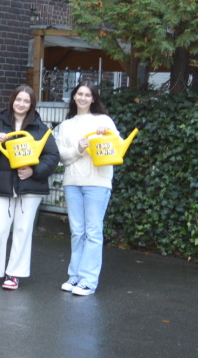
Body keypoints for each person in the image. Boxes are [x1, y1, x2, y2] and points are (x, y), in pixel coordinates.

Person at [0, 84, 59, 290]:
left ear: (31, 104)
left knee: (23, 229)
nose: (21, 104)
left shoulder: (41, 128)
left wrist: (34, 171)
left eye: (26, 101)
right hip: (2, 185)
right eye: (18, 99)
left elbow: (52, 156)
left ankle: (14, 273)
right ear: (12, 100)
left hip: (30, 188)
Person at [54, 80, 118, 296]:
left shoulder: (104, 120)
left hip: (97, 183)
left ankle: (88, 281)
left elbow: (117, 148)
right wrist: (79, 149)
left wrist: (107, 134)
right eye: (79, 94)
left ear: (93, 99)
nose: (83, 98)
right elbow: (62, 156)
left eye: (87, 95)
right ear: (74, 97)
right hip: (73, 182)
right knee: (77, 231)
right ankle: (75, 276)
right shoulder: (66, 125)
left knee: (92, 232)